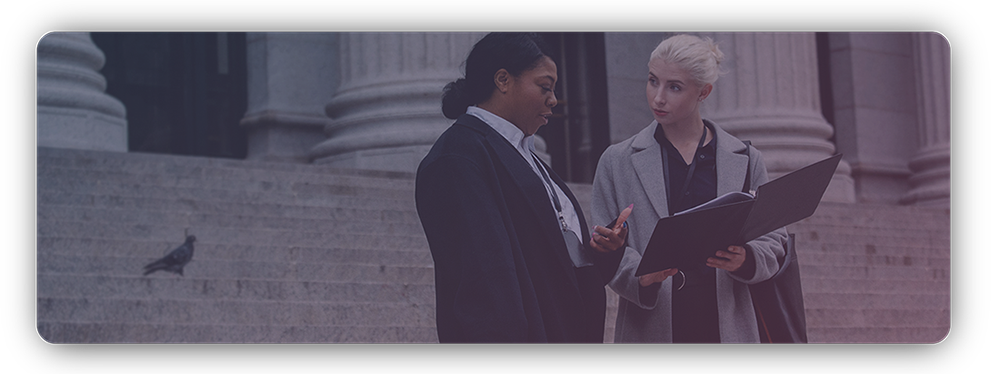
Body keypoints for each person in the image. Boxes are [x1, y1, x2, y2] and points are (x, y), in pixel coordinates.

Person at [415, 32, 631, 343]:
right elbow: (482, 281)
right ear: (503, 80)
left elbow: (557, 261)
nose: (553, 100)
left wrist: (603, 252)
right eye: (545, 87)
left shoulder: (523, 153)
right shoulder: (458, 157)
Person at [590, 34, 788, 343]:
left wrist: (746, 258)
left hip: (727, 324)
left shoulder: (746, 159)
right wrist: (640, 273)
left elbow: (774, 239)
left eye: (674, 87)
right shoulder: (617, 162)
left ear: (703, 92)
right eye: (653, 81)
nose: (658, 97)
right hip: (650, 326)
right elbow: (604, 251)